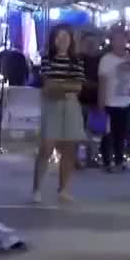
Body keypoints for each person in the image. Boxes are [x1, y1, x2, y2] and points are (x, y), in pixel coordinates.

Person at [31, 24, 87, 203]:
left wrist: (59, 86)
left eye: (65, 37)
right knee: (46, 147)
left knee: (69, 148)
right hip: (52, 105)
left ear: (71, 40)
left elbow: (78, 87)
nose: (62, 41)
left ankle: (63, 189)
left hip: (71, 106)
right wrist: (65, 87)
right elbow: (48, 85)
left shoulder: (76, 61)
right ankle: (37, 188)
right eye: (58, 37)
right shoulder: (47, 59)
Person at [97, 25, 130, 172]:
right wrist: (101, 103)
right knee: (108, 134)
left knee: (122, 132)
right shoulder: (106, 60)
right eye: (117, 39)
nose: (120, 42)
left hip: (126, 101)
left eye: (122, 39)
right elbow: (102, 81)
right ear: (112, 41)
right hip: (110, 102)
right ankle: (107, 162)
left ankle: (120, 160)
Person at [78, 31, 104, 168]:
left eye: (93, 43)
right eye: (87, 43)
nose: (90, 46)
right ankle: (76, 158)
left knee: (95, 133)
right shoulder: (77, 59)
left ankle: (91, 158)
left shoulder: (103, 60)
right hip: (80, 100)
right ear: (82, 44)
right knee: (78, 131)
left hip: (97, 100)